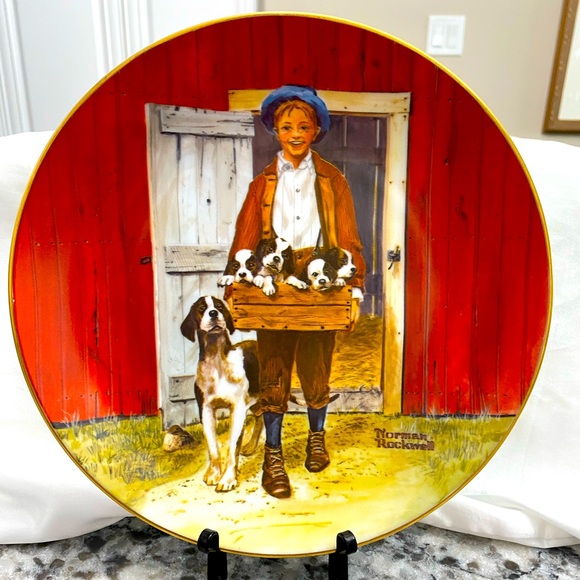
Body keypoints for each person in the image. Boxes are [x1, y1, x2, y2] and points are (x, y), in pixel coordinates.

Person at [227, 85, 366, 498]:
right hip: (276, 276)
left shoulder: (333, 180)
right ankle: (273, 456)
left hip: (320, 273)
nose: (295, 134)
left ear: (316, 130)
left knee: (316, 364)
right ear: (275, 130)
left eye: (304, 126)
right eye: (287, 127)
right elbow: (245, 236)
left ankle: (316, 439)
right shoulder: (262, 184)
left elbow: (349, 236)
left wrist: (355, 288)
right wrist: (237, 283)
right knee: (273, 367)